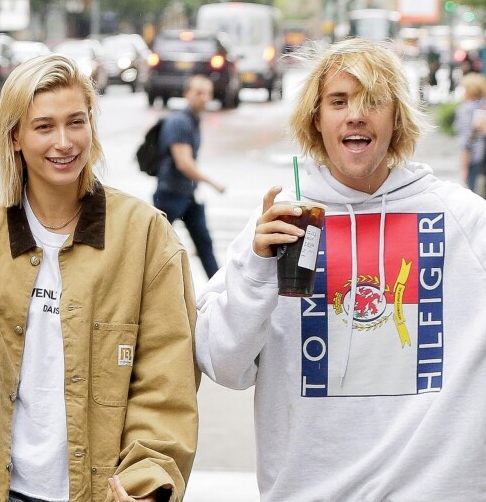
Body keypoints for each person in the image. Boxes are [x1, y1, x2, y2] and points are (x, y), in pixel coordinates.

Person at [195, 37, 486, 500]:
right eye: (338, 101)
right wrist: (255, 270)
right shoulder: (280, 222)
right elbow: (225, 365)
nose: (356, 114)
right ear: (317, 118)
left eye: (373, 101)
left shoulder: (465, 221)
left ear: (396, 118)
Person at [0, 54, 199, 502]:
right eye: (44, 127)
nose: (64, 142)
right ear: (15, 137)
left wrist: (148, 484)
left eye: (75, 122)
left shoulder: (145, 236)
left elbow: (166, 381)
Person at [154, 74, 225, 279]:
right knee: (155, 248)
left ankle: (220, 289)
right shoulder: (180, 122)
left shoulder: (193, 120)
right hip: (170, 194)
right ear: (187, 94)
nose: (204, 98)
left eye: (207, 93)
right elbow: (183, 163)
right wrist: (213, 183)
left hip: (188, 195)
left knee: (204, 243)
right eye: (199, 93)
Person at [453, 71, 486, 194]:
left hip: (474, 158)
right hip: (482, 157)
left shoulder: (466, 109)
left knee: (473, 195)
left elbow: (466, 140)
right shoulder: (482, 106)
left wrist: (463, 167)